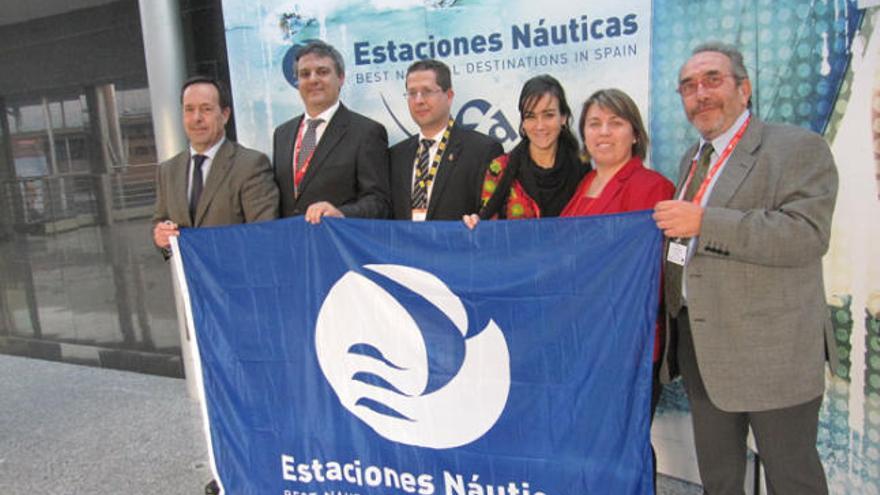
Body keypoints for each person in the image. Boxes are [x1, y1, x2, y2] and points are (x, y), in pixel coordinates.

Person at [652, 41, 838, 494]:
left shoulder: (797, 147)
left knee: (792, 477)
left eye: (713, 79)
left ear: (745, 88)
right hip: (702, 347)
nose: (700, 93)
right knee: (719, 478)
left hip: (773, 352)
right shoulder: (692, 159)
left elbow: (806, 235)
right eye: (689, 86)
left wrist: (705, 221)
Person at [562, 87, 674, 488]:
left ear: (635, 134)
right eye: (594, 124)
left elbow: (657, 274)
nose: (603, 132)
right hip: (583, 342)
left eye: (615, 123)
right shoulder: (585, 184)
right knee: (590, 443)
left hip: (628, 343)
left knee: (624, 443)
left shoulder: (653, 187)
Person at [152, 75, 279, 256]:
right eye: (189, 109)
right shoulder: (167, 170)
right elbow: (159, 224)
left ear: (225, 115)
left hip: (237, 280)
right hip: (189, 282)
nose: (196, 118)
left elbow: (264, 234)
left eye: (206, 109)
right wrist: (161, 239)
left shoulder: (251, 165)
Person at [273, 40, 390, 223]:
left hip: (338, 244)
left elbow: (379, 202)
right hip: (294, 246)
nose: (313, 79)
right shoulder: (282, 134)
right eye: (305, 74)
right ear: (297, 82)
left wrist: (341, 213)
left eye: (322, 72)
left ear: (341, 78)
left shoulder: (366, 132)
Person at [463, 74, 586, 227]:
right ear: (523, 122)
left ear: (563, 118)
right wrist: (475, 224)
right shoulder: (500, 169)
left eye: (548, 115)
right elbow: (489, 229)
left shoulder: (582, 167)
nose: (540, 126)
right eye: (530, 116)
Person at [390, 59, 503, 221]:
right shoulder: (395, 156)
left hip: (459, 245)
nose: (418, 100)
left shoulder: (482, 151)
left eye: (427, 91)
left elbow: (491, 218)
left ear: (449, 96)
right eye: (412, 93)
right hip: (406, 246)